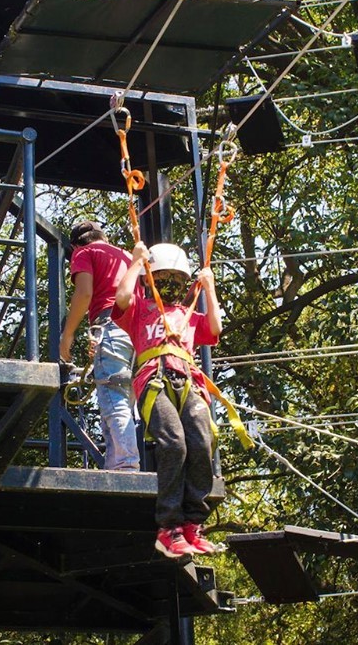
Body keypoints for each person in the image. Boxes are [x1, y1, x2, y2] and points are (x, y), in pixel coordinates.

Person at [113, 241, 221, 558]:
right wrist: (135, 263)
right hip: (153, 379)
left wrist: (209, 287)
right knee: (173, 442)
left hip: (187, 379)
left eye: (175, 280)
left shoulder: (188, 314)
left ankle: (193, 525)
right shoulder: (140, 310)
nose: (168, 286)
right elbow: (120, 298)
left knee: (202, 440)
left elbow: (215, 328)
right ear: (150, 281)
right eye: (161, 279)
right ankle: (168, 527)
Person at [59, 221, 140, 471]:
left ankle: (126, 465)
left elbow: (84, 293)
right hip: (136, 331)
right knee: (122, 399)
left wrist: (67, 335)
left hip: (110, 324)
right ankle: (115, 465)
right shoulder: (127, 255)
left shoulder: (84, 253)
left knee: (113, 396)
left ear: (74, 246)